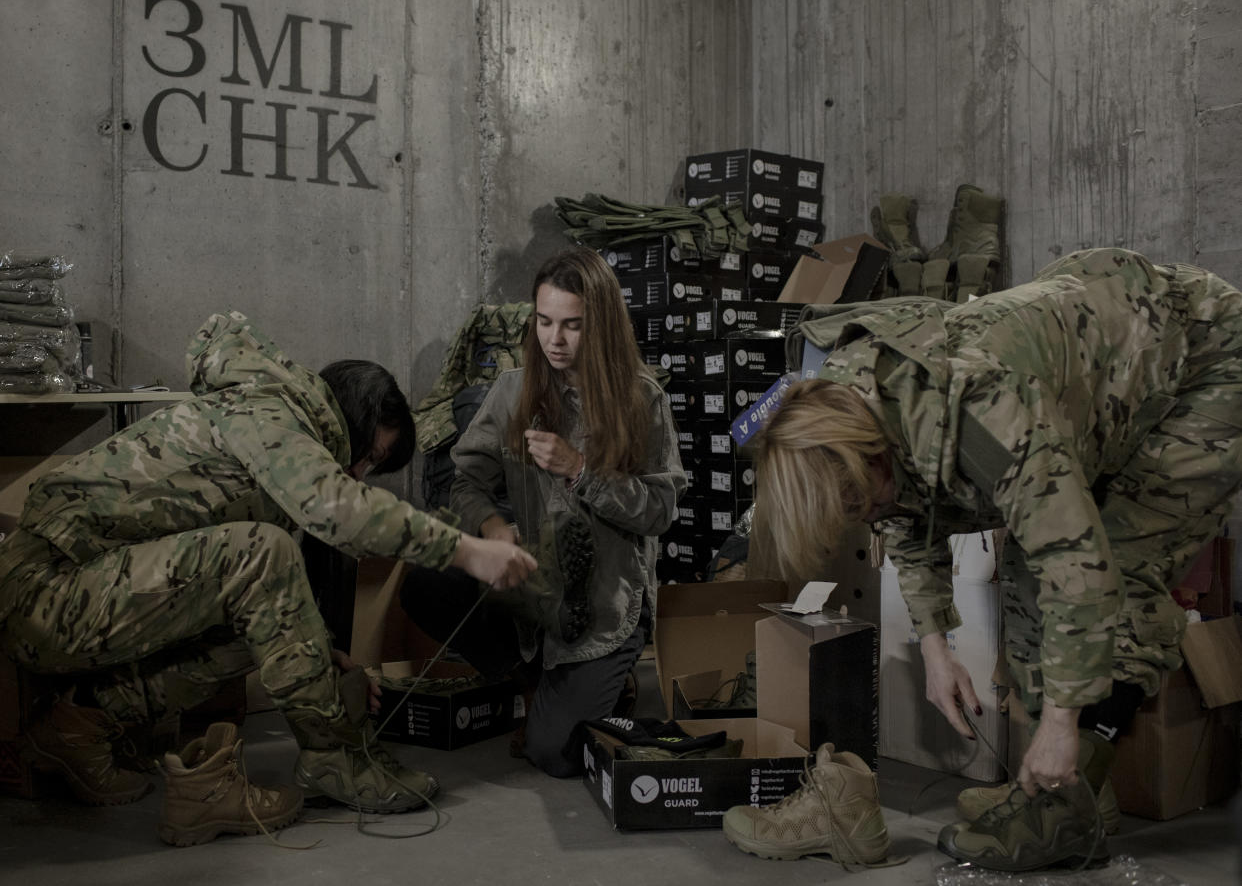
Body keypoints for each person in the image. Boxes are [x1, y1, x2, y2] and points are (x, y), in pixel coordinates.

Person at [754, 248, 1242, 871]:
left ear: (871, 456)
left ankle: (1065, 802)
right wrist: (935, 648)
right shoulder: (846, 393)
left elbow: (1080, 571)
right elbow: (902, 512)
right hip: (1104, 367)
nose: (866, 520)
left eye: (860, 504)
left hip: (1202, 367)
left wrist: (1062, 725)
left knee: (1117, 570)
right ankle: (1068, 792)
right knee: (1026, 577)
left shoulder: (983, 415)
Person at [0, 311, 535, 845]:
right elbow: (335, 508)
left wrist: (322, 653)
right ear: (345, 418)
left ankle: (80, 724)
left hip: (84, 589)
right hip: (46, 590)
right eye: (368, 458)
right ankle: (333, 759)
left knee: (260, 611)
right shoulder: (270, 412)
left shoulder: (271, 416)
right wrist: (466, 550)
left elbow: (264, 600)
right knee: (265, 551)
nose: (360, 475)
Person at [400, 247, 685, 776]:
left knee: (553, 755)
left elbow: (661, 510)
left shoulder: (641, 399)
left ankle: (608, 684)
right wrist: (492, 527)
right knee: (424, 584)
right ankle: (528, 682)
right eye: (544, 321)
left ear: (600, 324)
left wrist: (582, 470)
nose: (554, 340)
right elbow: (463, 479)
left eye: (572, 326)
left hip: (605, 605)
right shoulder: (512, 391)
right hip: (529, 589)